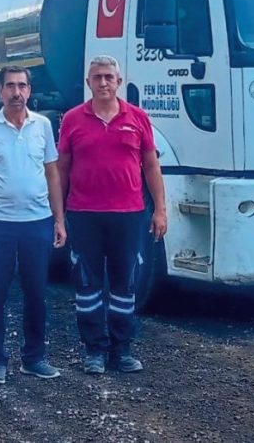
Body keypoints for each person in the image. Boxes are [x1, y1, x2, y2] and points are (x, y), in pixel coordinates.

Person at [57, 55, 168, 374]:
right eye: (97, 77)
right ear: (88, 83)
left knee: (125, 284)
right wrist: (59, 215)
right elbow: (62, 169)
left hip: (129, 214)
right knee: (87, 285)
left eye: (109, 77)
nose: (103, 82)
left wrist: (159, 210)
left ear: (119, 82)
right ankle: (94, 350)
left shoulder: (138, 118)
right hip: (84, 213)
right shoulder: (73, 120)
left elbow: (151, 165)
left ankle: (121, 350)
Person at [0, 66, 68, 385]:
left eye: (22, 86)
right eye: (10, 86)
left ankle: (34, 358)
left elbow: (52, 173)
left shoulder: (43, 126)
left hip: (37, 222)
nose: (16, 92)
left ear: (30, 91)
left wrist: (59, 219)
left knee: (36, 293)